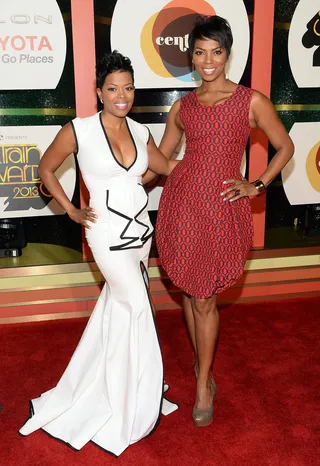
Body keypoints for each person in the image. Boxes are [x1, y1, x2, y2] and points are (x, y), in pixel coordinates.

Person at [19, 51, 178, 456]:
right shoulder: (80, 129)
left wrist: (209, 164)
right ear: (99, 92)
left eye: (128, 88)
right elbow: (46, 168)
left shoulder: (141, 132)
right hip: (105, 233)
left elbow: (165, 166)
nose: (121, 95)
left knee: (118, 310)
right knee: (136, 306)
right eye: (113, 88)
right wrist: (71, 208)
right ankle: (127, 402)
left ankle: (115, 384)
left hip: (140, 232)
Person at [155, 16, 294, 427]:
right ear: (192, 58)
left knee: (204, 297)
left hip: (221, 209)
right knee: (190, 289)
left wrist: (258, 185)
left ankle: (203, 381)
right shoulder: (183, 106)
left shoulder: (251, 101)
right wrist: (119, 163)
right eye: (200, 52)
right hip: (182, 204)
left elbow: (285, 146)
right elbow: (161, 161)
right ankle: (203, 369)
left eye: (216, 52)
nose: (208, 60)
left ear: (229, 55)